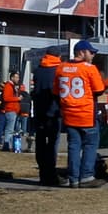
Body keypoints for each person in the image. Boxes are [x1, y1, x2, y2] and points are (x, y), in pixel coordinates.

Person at [55, 39, 106, 187]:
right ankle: (86, 176)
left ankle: (73, 177)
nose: (93, 55)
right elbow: (99, 90)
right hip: (86, 113)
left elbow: (56, 92)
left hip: (69, 114)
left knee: (73, 147)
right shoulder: (89, 68)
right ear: (82, 52)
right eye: (91, 52)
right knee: (90, 145)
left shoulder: (61, 68)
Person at [31, 48, 64, 186]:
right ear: (59, 56)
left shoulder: (38, 70)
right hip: (54, 111)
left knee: (40, 142)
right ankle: (51, 174)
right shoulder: (59, 70)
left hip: (39, 111)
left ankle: (43, 173)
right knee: (52, 143)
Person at [0, 70, 22, 151]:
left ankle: (10, 145)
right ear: (12, 77)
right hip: (10, 109)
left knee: (12, 129)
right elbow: (6, 98)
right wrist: (17, 98)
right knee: (9, 129)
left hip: (13, 109)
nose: (18, 79)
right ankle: (6, 145)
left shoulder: (12, 86)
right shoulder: (8, 86)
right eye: (16, 77)